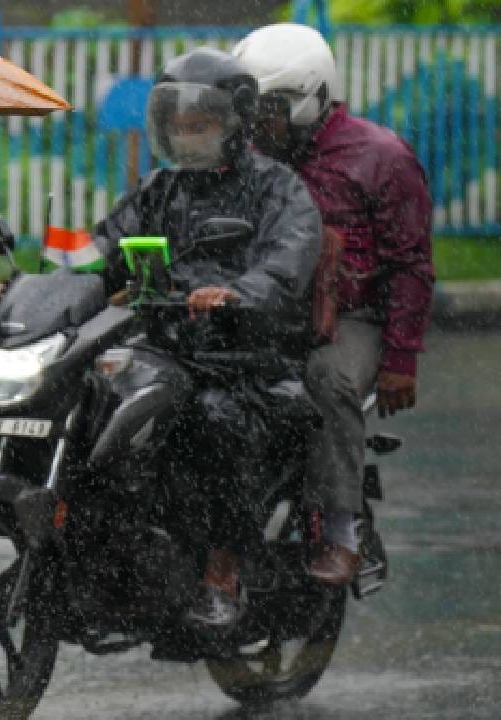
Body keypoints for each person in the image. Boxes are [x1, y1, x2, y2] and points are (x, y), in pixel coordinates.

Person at [89, 47, 321, 630]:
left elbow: (286, 265)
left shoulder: (278, 189)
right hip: (165, 349)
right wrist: (38, 283)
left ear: (234, 122)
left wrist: (236, 293)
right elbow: (101, 251)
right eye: (178, 125)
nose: (187, 135)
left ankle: (223, 571)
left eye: (200, 125)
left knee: (215, 421)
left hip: (244, 358)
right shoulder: (158, 189)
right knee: (88, 403)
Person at [234, 23, 434, 584]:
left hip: (352, 316)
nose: (257, 123)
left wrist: (400, 361)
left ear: (312, 96)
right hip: (264, 312)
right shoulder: (247, 158)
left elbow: (411, 265)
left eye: (270, 109)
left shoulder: (382, 157)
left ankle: (344, 529)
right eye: (250, 108)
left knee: (327, 378)